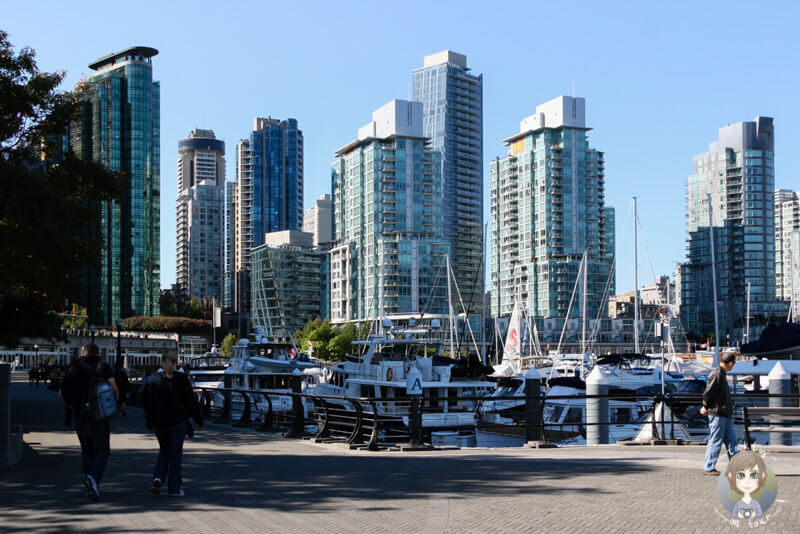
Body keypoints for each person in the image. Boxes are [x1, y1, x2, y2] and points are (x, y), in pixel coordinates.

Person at [58, 344, 118, 501]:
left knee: (86, 450)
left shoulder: (74, 368)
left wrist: (72, 406)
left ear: (83, 353)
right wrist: (113, 404)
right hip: (100, 416)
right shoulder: (102, 366)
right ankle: (93, 478)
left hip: (80, 415)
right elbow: (113, 387)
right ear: (98, 353)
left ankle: (91, 484)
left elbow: (60, 393)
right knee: (103, 449)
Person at [144, 354, 203, 497]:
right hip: (178, 421)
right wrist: (199, 420)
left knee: (164, 451)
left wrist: (149, 423)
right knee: (176, 455)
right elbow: (191, 401)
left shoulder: (155, 380)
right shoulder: (182, 379)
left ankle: (158, 477)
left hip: (159, 422)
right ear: (176, 362)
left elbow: (148, 404)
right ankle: (174, 488)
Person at [701, 352, 737, 475]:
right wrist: (706, 406)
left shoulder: (719, 373)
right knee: (716, 440)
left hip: (723, 413)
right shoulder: (718, 374)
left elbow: (709, 392)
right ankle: (709, 467)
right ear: (730, 363)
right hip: (718, 413)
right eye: (733, 364)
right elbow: (709, 393)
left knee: (731, 441)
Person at [726, 451, 768, 519]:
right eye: (740, 475)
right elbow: (734, 514)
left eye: (754, 475)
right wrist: (742, 515)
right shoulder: (739, 503)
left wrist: (750, 514)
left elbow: (759, 514)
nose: (747, 481)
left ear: (762, 476)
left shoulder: (755, 503)